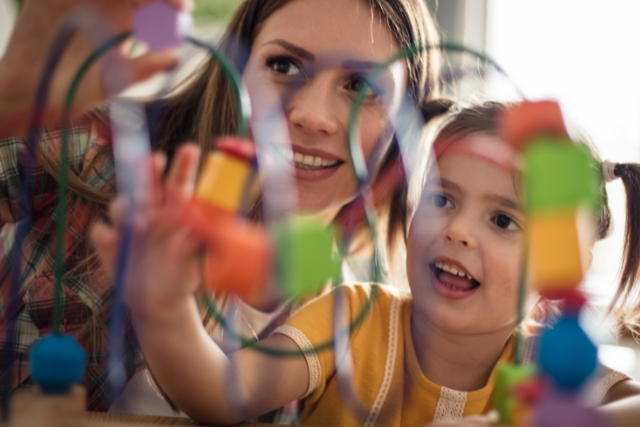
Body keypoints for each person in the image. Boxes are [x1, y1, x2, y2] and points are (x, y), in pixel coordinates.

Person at [0, 0, 440, 415]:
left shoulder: (348, 331)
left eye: (362, 86)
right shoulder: (96, 153)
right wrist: (9, 98)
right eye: (283, 65)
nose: (312, 115)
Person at [93, 100, 640, 426]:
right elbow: (221, 394)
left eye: (502, 221)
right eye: (441, 199)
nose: (455, 229)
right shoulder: (350, 318)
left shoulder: (555, 364)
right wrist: (163, 309)